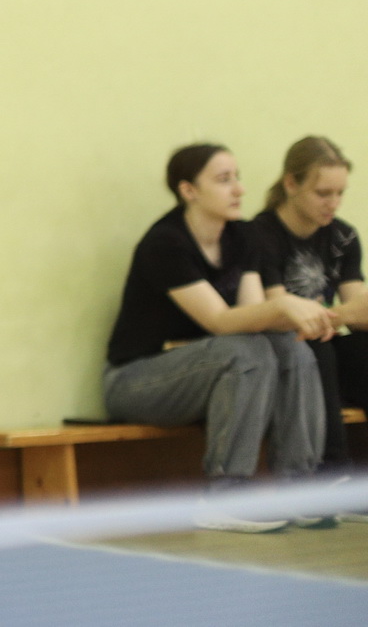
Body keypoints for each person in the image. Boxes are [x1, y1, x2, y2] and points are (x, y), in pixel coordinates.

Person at [103, 144, 334, 532]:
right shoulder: (166, 243)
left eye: (237, 177)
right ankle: (225, 496)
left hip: (208, 367)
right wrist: (284, 305)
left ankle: (298, 486)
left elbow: (252, 318)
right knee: (244, 352)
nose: (239, 189)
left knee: (290, 348)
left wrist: (305, 316)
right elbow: (222, 321)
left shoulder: (242, 236)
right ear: (188, 190)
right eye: (224, 180)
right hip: (135, 381)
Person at [249, 136, 368, 479]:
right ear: (291, 184)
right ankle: (333, 470)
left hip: (321, 335)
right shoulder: (260, 235)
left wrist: (333, 316)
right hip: (280, 348)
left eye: (340, 193)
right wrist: (332, 317)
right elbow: (275, 308)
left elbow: (358, 311)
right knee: (315, 345)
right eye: (323, 193)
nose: (334, 203)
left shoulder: (343, 236)